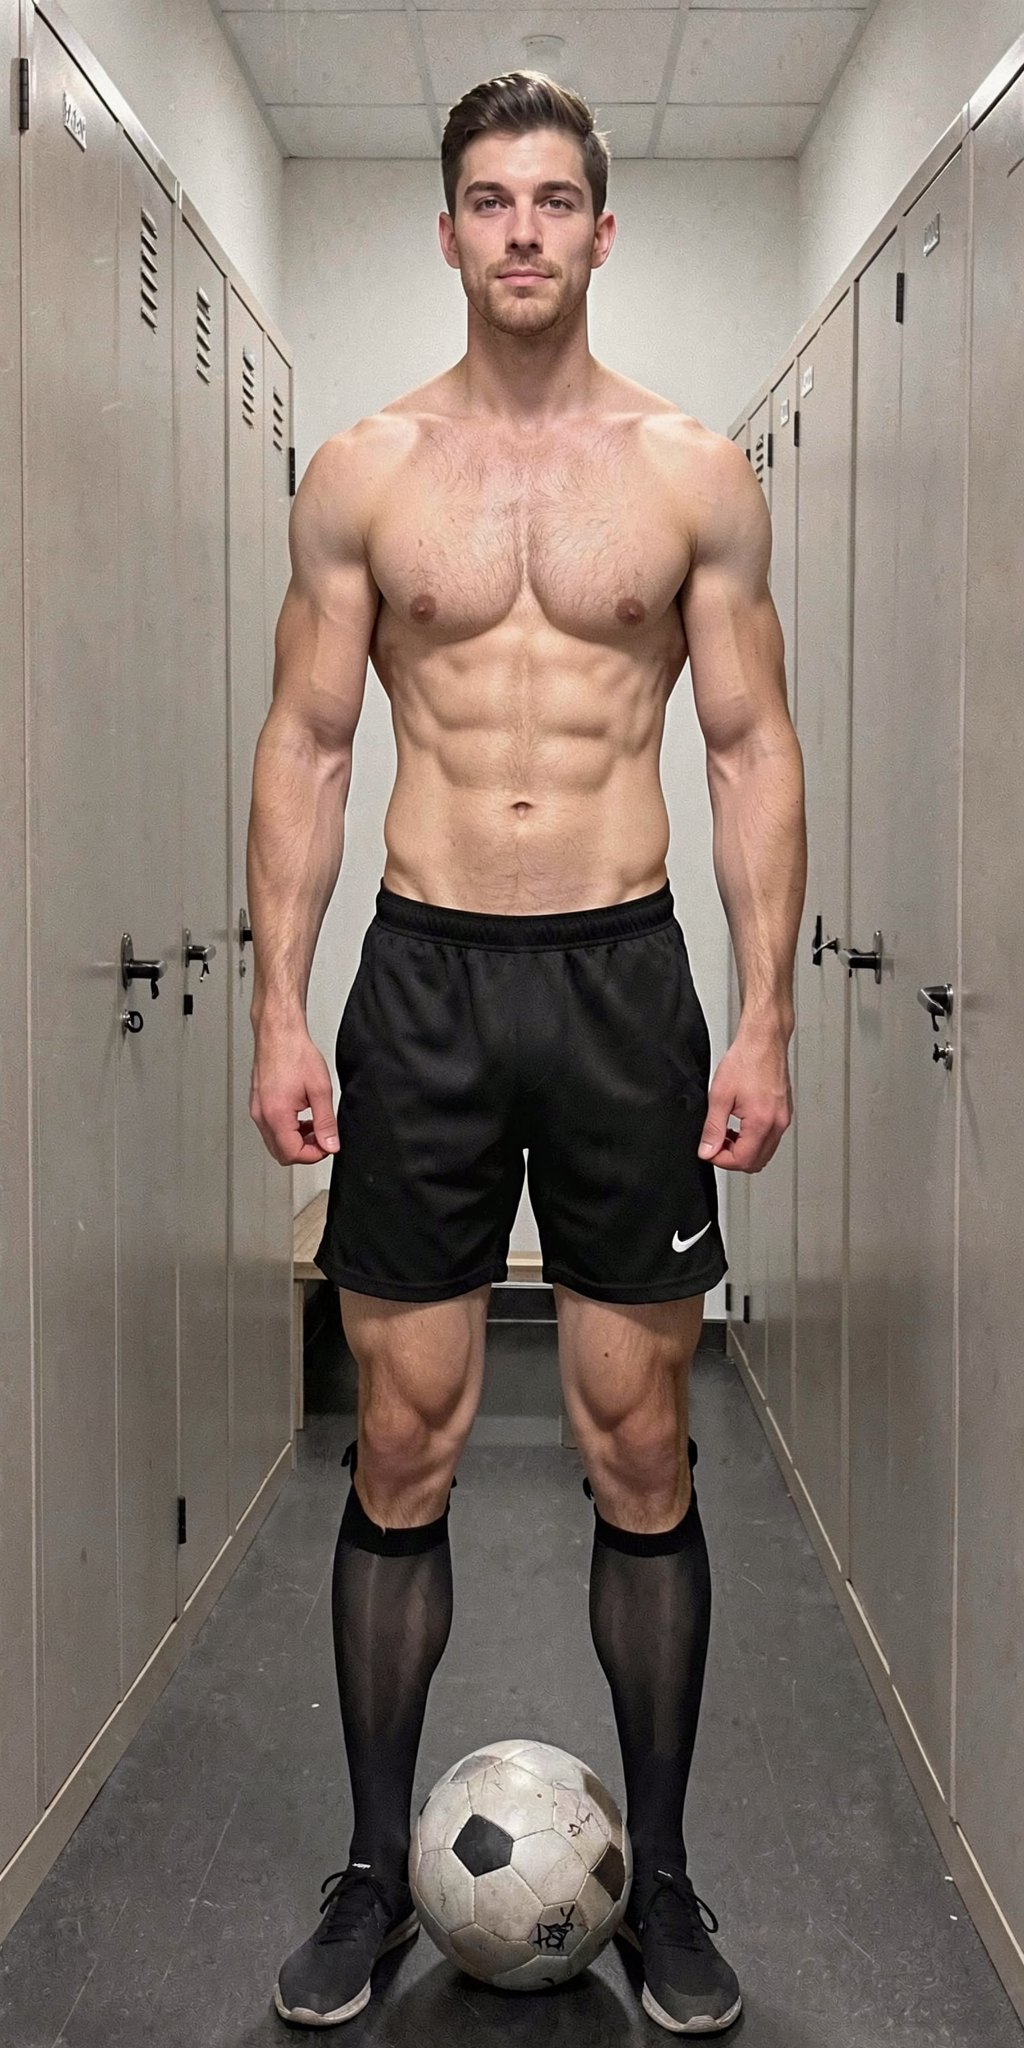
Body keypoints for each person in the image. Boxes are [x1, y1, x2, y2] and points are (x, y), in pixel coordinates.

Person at [249, 70, 806, 2034]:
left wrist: (756, 1009)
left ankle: (660, 1882)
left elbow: (744, 749)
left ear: (595, 227)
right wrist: (274, 998)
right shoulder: (363, 470)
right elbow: (310, 746)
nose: (517, 230)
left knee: (633, 1441)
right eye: (485, 197)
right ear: (445, 227)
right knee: (395, 1438)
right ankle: (358, 1862)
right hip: (416, 982)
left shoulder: (686, 473)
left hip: (616, 982)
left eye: (550, 197)